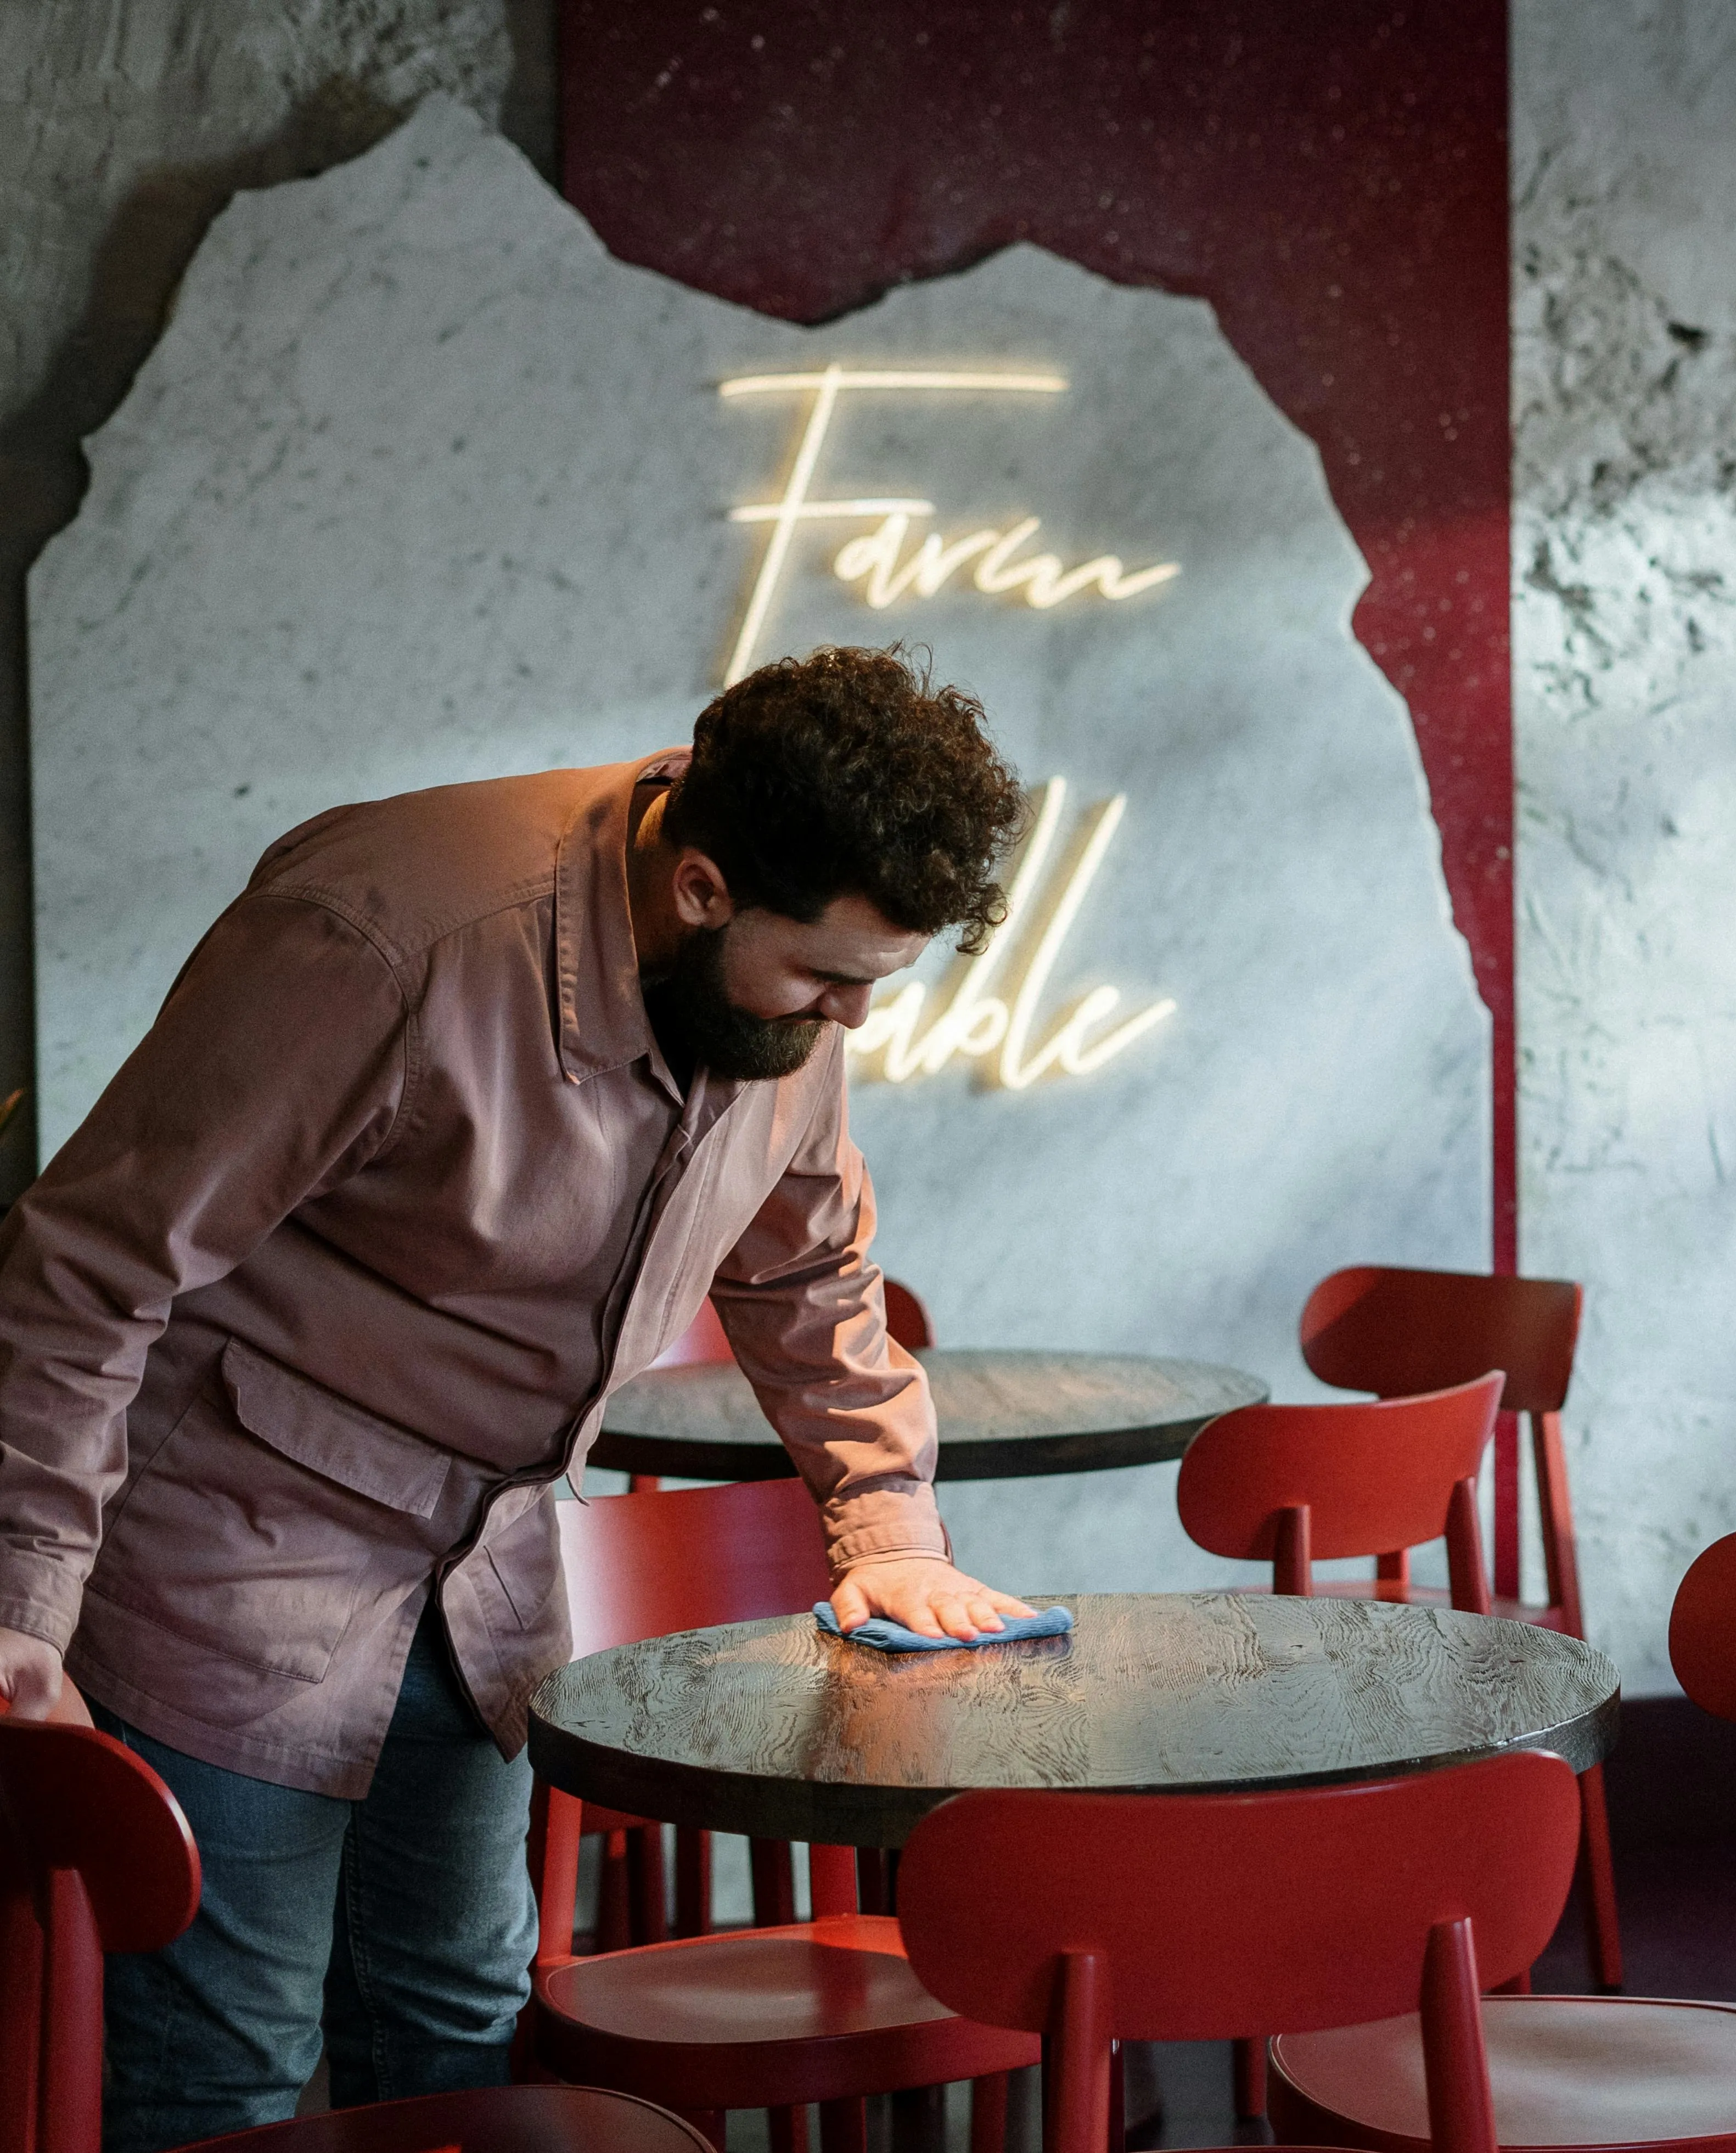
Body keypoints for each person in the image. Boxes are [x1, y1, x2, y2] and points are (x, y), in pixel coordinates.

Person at [0, 647, 1040, 2151]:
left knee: (461, 2038)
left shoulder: (781, 1008)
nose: (850, 1024)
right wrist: (21, 1609)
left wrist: (886, 1521)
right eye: (826, 977)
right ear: (698, 889)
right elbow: (86, 1266)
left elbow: (809, 1273)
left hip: (479, 1579)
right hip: (221, 1564)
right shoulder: (383, 934)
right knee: (223, 2085)